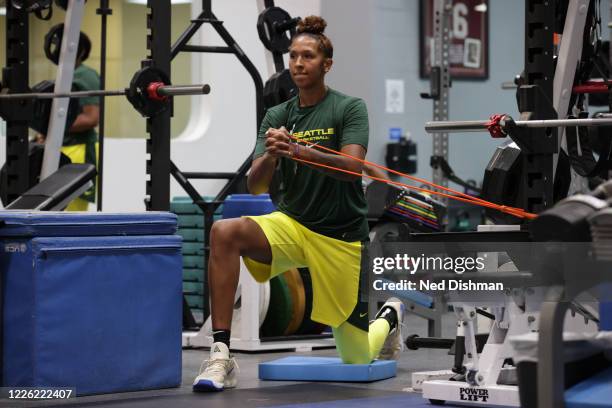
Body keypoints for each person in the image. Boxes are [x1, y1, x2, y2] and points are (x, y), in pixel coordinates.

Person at [193, 16, 405, 392]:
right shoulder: (277, 116)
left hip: (341, 237)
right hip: (292, 226)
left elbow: (353, 168)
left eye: (307, 56)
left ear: (327, 64)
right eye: (293, 56)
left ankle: (388, 316)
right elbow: (256, 187)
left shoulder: (349, 108)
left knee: (356, 357)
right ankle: (221, 354)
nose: (297, 63)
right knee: (225, 232)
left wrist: (298, 150)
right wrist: (272, 156)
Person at [38, 31, 100, 210]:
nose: (57, 49)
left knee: (70, 212)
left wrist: (52, 127)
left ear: (79, 51)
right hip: (60, 147)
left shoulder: (85, 75)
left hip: (78, 150)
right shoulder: (64, 75)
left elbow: (91, 118)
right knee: (53, 209)